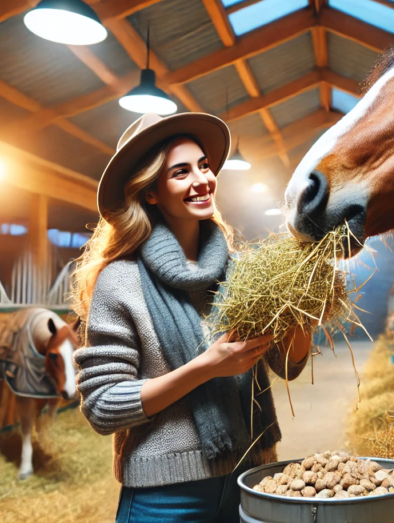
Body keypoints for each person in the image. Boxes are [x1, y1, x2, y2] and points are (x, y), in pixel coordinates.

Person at [71, 112, 312, 522]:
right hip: (164, 497)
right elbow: (102, 406)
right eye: (181, 172)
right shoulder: (122, 281)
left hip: (253, 482)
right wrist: (206, 368)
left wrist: (305, 304)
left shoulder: (242, 272)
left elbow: (286, 364)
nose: (202, 179)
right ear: (150, 192)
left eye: (203, 165)